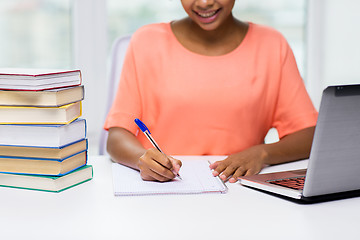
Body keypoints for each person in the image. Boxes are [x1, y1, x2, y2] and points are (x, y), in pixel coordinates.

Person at [104, 0, 318, 183]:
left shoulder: (272, 45)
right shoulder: (146, 41)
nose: (204, 3)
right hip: (164, 190)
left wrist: (262, 153)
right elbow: (116, 138)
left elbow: (309, 135)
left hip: (238, 190)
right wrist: (143, 159)